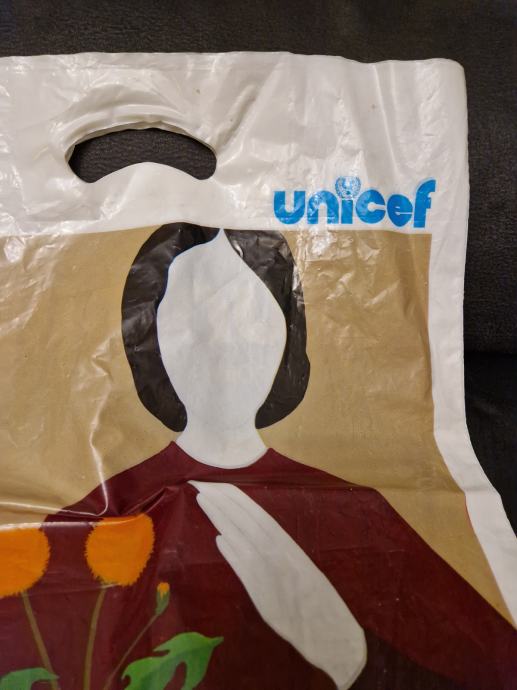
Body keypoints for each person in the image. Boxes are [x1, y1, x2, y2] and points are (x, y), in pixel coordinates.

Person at [0, 223, 516, 690]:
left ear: (288, 334)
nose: (223, 345)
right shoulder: (95, 518)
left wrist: (350, 657)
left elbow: (487, 663)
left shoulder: (356, 511)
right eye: (195, 320)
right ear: (150, 339)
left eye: (250, 316)